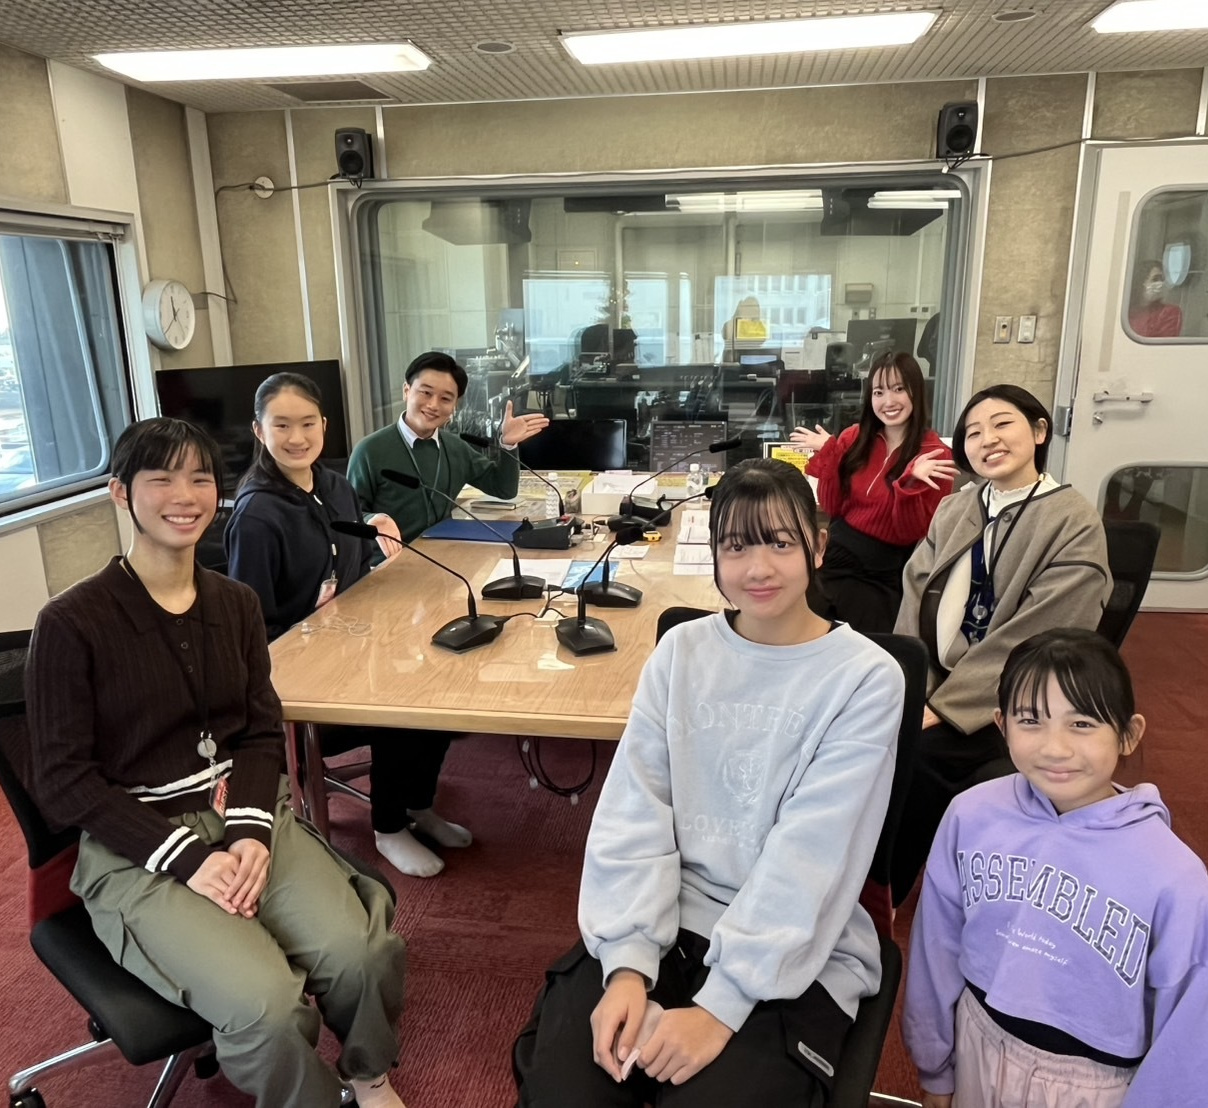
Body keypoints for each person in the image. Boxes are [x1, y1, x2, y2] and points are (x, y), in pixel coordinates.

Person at [25, 417, 408, 1108]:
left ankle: (367, 1073)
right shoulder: (72, 623)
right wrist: (188, 859)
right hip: (140, 846)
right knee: (266, 1005)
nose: (185, 495)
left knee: (363, 953)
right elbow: (62, 781)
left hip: (247, 812)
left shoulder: (235, 603)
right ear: (121, 492)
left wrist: (251, 831)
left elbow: (260, 731)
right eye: (161, 479)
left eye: (200, 478)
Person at [513, 457, 904, 1107]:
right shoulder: (682, 651)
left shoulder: (865, 677)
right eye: (736, 546)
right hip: (665, 916)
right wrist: (627, 965)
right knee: (562, 1092)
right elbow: (635, 809)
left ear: (817, 547)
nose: (757, 568)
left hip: (791, 949)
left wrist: (722, 1006)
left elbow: (813, 858)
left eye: (780, 543)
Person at [903, 628, 1208, 1107]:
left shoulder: (1175, 877)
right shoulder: (970, 814)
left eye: (1082, 723)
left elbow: (1188, 1028)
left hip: (1095, 1083)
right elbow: (936, 946)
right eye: (1030, 720)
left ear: (1129, 735)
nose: (1055, 748)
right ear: (1001, 724)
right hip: (978, 1042)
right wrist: (934, 1065)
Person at [225, 371, 461, 878]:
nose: (297, 437)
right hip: (295, 676)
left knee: (441, 683)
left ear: (324, 425)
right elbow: (250, 626)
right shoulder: (258, 514)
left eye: (307, 423)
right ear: (259, 431)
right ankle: (389, 827)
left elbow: (350, 571)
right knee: (401, 708)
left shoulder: (333, 486)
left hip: (353, 646)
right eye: (281, 425)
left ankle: (418, 805)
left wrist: (373, 525)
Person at [891, 384, 1112, 902]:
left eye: (1002, 424)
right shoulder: (957, 508)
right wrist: (910, 683)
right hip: (936, 685)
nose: (986, 439)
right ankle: (875, 896)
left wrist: (941, 708)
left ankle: (902, 897)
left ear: (1039, 432)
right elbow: (914, 595)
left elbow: (1041, 635)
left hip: (1016, 702)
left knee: (911, 761)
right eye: (972, 432)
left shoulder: (1072, 520)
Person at [790, 351, 957, 633]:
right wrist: (832, 455)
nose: (888, 401)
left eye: (899, 389)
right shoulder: (854, 437)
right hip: (836, 552)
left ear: (916, 392)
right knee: (801, 629)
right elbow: (832, 507)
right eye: (879, 392)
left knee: (862, 643)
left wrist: (908, 484)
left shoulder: (934, 455)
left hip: (883, 569)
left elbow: (909, 533)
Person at [347, 350, 550, 542]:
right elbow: (349, 516)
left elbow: (504, 489)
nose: (433, 405)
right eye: (426, 393)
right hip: (388, 560)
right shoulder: (370, 451)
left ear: (454, 406)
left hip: (443, 552)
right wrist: (374, 520)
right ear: (406, 391)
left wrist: (508, 444)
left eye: (445, 398)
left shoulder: (455, 448)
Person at [1127, 260, 1183, 339]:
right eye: (1155, 279)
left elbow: (1162, 342)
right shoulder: (1127, 312)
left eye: (1162, 279)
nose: (1160, 283)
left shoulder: (1170, 312)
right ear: (1141, 282)